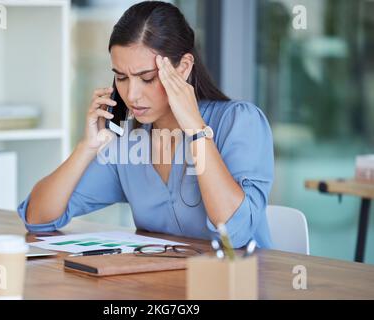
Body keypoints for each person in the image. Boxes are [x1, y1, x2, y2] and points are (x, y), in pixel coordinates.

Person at [17, 1, 274, 248]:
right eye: (121, 78)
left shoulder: (239, 122)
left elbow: (234, 232)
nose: (132, 95)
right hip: (164, 288)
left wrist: (196, 131)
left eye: (147, 78)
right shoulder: (128, 144)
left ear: (183, 67)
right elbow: (38, 218)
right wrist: (87, 147)